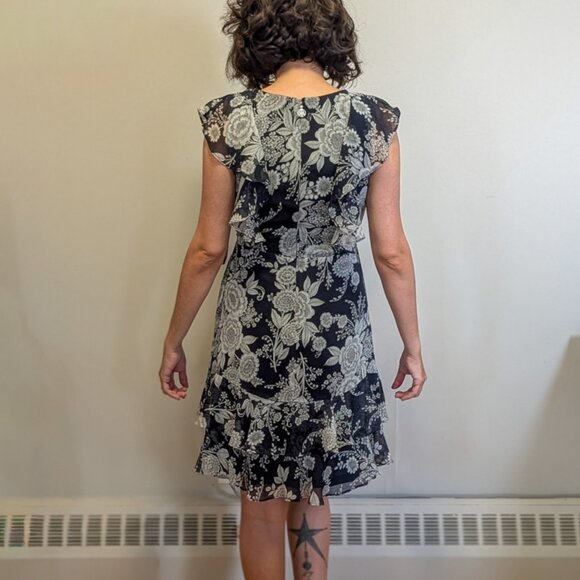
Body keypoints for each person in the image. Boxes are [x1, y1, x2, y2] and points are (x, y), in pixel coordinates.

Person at [159, 1, 427, 578]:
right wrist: (412, 344)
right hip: (335, 336)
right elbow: (391, 252)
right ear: (335, 37)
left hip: (252, 335)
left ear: (253, 36)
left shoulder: (230, 119)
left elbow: (208, 249)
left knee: (260, 501)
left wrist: (174, 338)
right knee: (314, 486)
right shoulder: (374, 121)